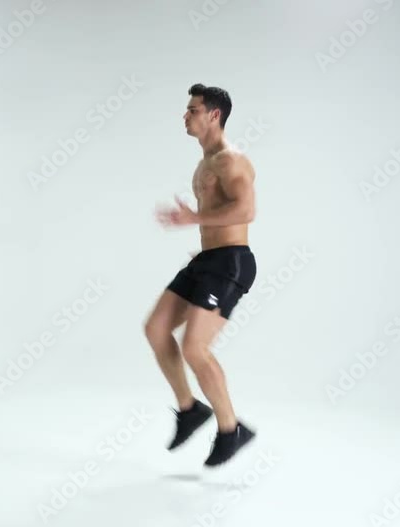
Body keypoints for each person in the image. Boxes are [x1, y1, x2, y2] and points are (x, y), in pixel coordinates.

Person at [148, 83, 258, 467]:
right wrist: (202, 235)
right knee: (156, 328)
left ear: (214, 115)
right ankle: (190, 409)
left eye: (192, 110)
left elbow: (246, 211)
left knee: (194, 348)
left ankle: (231, 429)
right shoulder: (205, 162)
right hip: (208, 260)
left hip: (230, 263)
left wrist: (194, 218)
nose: (185, 115)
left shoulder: (231, 161)